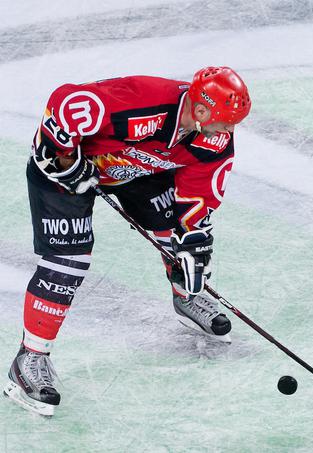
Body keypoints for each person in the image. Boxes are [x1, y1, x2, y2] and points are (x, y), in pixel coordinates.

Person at [4, 66, 252, 416]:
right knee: (67, 264)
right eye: (226, 121)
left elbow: (197, 197)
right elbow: (68, 100)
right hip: (70, 171)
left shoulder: (212, 139)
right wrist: (59, 155)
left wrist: (194, 241)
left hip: (137, 169)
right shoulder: (143, 102)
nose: (229, 131)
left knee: (180, 239)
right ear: (200, 110)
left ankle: (185, 298)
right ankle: (30, 358)